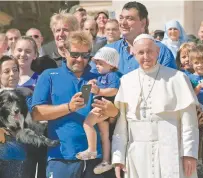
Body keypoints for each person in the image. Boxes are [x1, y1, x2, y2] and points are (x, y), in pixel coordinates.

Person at [93, 34, 199, 178]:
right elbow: (122, 125)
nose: (146, 56)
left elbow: (189, 122)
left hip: (171, 149)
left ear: (157, 52)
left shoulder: (177, 78)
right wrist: (118, 157)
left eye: (149, 51)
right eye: (141, 52)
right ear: (134, 54)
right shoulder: (126, 81)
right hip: (137, 154)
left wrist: (189, 154)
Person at [31, 31, 107, 178]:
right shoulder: (49, 75)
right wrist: (69, 107)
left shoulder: (98, 77)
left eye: (85, 56)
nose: (80, 59)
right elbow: (37, 113)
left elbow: (116, 114)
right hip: (61, 157)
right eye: (75, 54)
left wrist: (111, 111)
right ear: (64, 51)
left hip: (95, 159)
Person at [76, 47, 121, 175]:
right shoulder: (101, 76)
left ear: (111, 64)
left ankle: (92, 149)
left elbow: (114, 90)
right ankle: (106, 161)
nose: (97, 66)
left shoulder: (112, 75)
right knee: (104, 135)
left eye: (101, 63)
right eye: (96, 63)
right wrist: (92, 84)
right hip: (103, 106)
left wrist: (99, 91)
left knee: (87, 123)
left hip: (103, 104)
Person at [107, 1, 176, 75]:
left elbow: (170, 81)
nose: (123, 23)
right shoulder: (108, 50)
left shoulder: (161, 51)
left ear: (143, 23)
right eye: (121, 18)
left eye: (129, 18)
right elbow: (96, 78)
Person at [0, 55, 34, 178]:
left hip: (22, 156)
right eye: (6, 71)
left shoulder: (26, 95)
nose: (12, 74)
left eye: (15, 70)